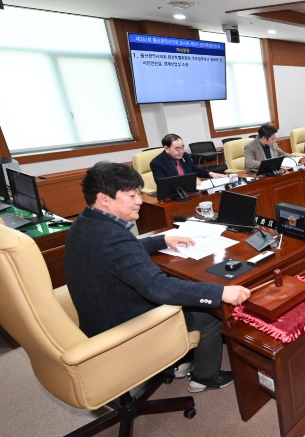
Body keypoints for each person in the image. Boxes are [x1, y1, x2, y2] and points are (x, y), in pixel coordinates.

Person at [64, 162, 251, 392]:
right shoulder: (113, 236)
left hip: (100, 316)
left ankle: (180, 363)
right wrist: (220, 292)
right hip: (123, 328)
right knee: (210, 315)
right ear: (104, 198)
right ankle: (204, 377)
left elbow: (120, 251)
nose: (139, 201)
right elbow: (157, 287)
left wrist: (161, 240)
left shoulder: (85, 222)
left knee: (185, 294)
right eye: (132, 196)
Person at [150, 134, 227, 182]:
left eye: (182, 148)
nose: (181, 152)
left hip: (191, 191)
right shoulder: (157, 163)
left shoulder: (185, 155)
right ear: (166, 148)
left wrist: (210, 173)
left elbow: (194, 169)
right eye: (177, 149)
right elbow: (162, 183)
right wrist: (188, 182)